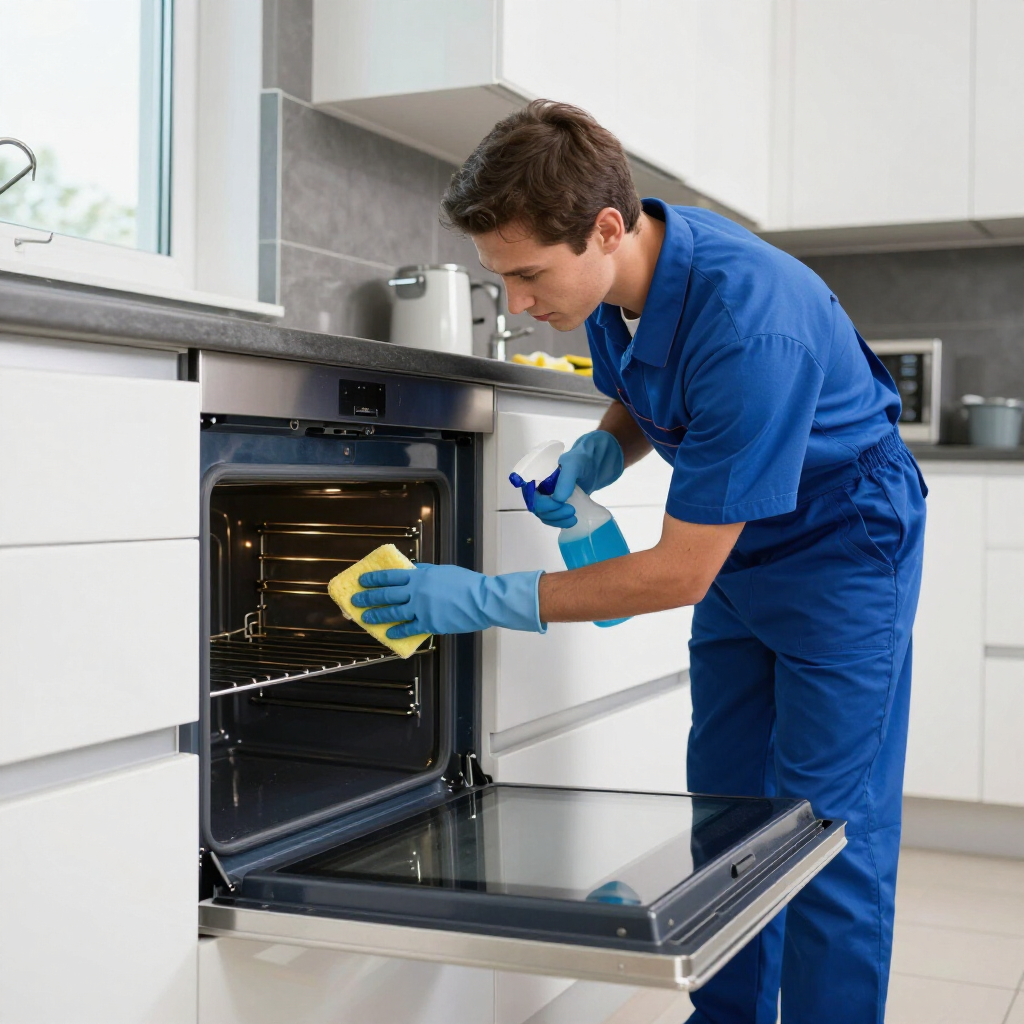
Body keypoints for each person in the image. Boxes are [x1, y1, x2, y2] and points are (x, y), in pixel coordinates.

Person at [351, 100, 927, 1024]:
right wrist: (601, 454)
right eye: (506, 281)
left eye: (531, 277)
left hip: (842, 546)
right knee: (732, 813)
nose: (526, 307)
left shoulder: (749, 325)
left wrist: (483, 597)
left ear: (606, 228)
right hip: (740, 540)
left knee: (828, 831)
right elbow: (644, 397)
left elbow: (676, 573)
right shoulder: (624, 282)